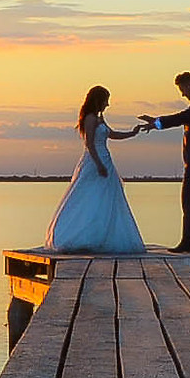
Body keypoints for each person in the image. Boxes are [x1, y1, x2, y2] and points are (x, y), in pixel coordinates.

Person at [45, 86, 148, 254]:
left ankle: (102, 235)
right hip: (94, 162)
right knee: (88, 196)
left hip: (106, 160)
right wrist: (99, 164)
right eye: (106, 100)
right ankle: (77, 235)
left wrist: (132, 133)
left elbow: (111, 134)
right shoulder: (90, 118)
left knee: (107, 198)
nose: (107, 104)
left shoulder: (100, 119)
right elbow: (89, 144)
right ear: (98, 100)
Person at [138, 71, 190, 253]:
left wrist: (157, 122)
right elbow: (184, 118)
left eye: (182, 89)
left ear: (189, 85)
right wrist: (158, 122)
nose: (182, 94)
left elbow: (182, 117)